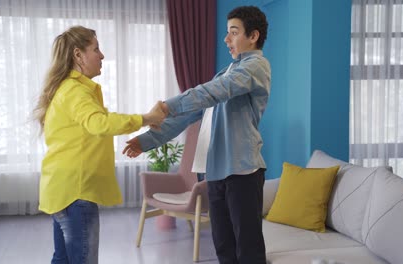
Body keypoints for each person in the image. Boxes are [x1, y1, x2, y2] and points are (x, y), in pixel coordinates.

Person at [124, 6, 270, 264]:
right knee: (223, 247)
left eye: (233, 33)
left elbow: (214, 91)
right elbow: (186, 117)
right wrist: (145, 140)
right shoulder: (225, 73)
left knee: (247, 250)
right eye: (227, 33)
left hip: (243, 172)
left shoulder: (255, 66)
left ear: (253, 36)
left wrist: (168, 104)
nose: (227, 39)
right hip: (216, 172)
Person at [33, 25, 166, 264]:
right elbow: (100, 124)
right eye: (96, 49)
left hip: (63, 189)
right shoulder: (75, 91)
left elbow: (96, 122)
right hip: (76, 191)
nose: (102, 55)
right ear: (78, 55)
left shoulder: (70, 89)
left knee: (62, 260)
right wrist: (146, 118)